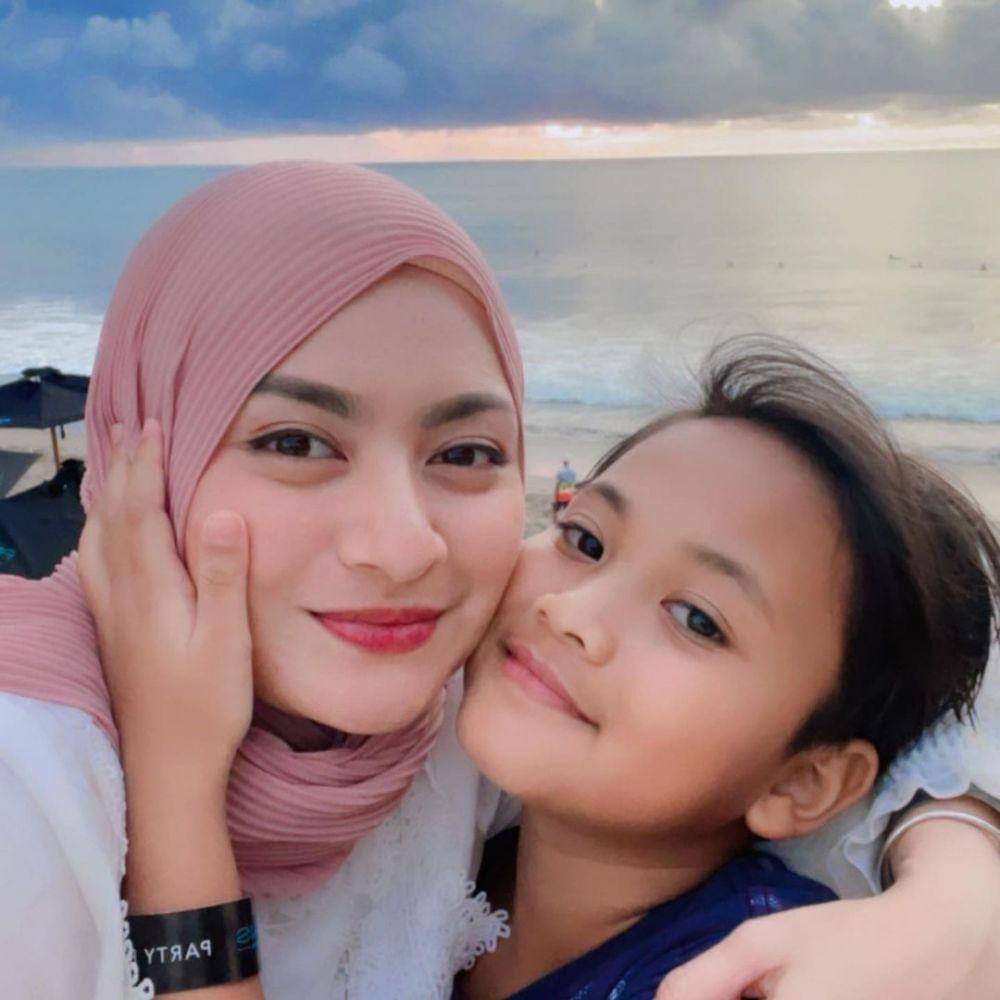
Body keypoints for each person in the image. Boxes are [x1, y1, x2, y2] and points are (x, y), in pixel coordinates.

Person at [4, 159, 996, 999]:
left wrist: (956, 901)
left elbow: (915, 715)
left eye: (466, 453)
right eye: (296, 441)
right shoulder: (34, 781)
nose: (403, 548)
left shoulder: (462, 736)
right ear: (142, 447)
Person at [454, 341, 1000, 998]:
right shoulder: (439, 832)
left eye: (696, 619)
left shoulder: (771, 977)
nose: (570, 611)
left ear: (801, 782)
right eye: (586, 540)